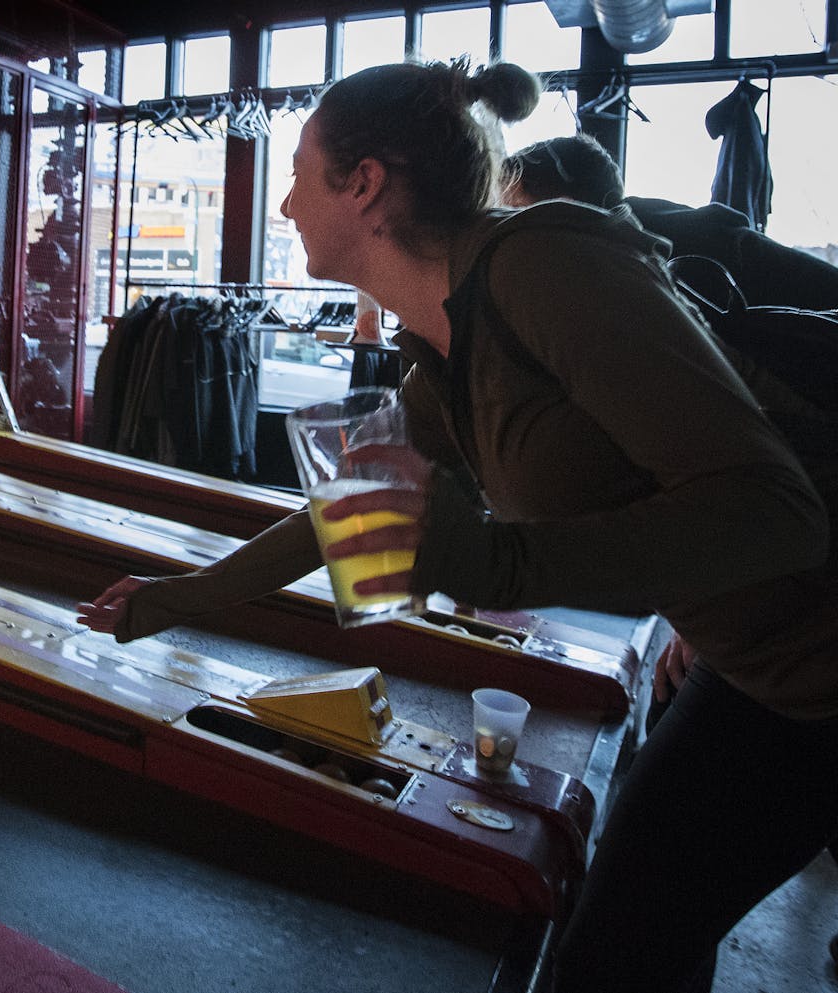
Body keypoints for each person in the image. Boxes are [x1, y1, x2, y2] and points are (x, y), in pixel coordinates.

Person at [77, 58, 838, 993]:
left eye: (298, 175)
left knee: (622, 945)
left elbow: (779, 514)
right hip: (763, 668)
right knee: (624, 939)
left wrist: (496, 563)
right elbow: (344, 514)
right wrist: (179, 596)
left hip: (819, 654)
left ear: (365, 186)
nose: (281, 207)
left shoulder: (547, 262)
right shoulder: (444, 348)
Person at [502, 133, 838, 311]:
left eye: (517, 211)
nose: (512, 229)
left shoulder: (667, 264)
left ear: (566, 207)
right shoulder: (645, 237)